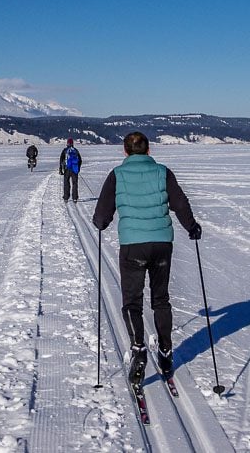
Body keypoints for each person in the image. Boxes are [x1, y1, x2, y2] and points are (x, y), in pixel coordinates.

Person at [92, 131, 202, 386]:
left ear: (125, 151)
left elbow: (102, 214)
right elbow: (180, 204)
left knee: (132, 301)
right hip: (162, 243)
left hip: (132, 246)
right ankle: (165, 350)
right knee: (161, 299)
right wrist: (191, 226)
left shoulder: (117, 175)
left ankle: (139, 348)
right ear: (149, 150)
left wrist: (101, 222)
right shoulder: (163, 172)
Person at [59, 138, 82, 202]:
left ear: (67, 143)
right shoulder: (75, 150)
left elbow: (61, 160)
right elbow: (80, 160)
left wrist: (61, 169)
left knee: (66, 183)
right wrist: (78, 168)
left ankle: (66, 197)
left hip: (67, 169)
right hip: (74, 169)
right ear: (73, 143)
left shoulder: (65, 150)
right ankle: (75, 197)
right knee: (74, 183)